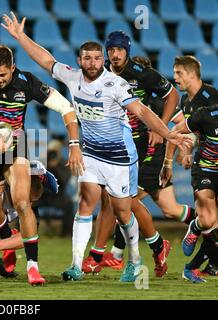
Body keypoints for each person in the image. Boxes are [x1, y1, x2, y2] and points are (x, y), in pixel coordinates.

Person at [1, 12, 190, 282]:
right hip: (91, 152)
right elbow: (46, 61)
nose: (92, 63)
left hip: (120, 156)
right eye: (87, 58)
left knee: (124, 212)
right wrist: (20, 37)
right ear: (80, 60)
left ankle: (134, 261)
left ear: (103, 61)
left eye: (97, 58)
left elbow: (143, 111)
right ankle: (76, 265)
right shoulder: (73, 77)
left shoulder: (116, 84)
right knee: (86, 204)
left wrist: (166, 133)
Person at [0, 44, 83, 285]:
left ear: (13, 68)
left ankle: (33, 267)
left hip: (17, 148)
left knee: (23, 203)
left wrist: (75, 144)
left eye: (3, 75)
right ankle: (7, 240)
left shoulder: (27, 82)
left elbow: (66, 108)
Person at [83, 45, 194, 278]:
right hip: (137, 157)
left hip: (150, 159)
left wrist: (170, 157)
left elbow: (183, 123)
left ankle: (111, 254)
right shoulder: (121, 97)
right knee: (169, 209)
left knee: (121, 201)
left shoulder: (155, 104)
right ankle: (201, 225)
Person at [160, 104, 218, 283]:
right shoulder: (205, 115)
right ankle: (197, 225)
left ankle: (190, 268)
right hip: (205, 171)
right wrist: (168, 162)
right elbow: (176, 131)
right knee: (209, 221)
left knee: (216, 233)